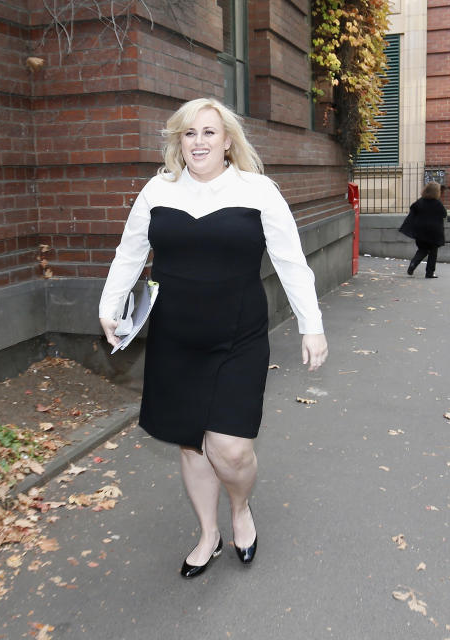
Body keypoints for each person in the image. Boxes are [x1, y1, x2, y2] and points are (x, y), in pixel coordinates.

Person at [98, 98, 328, 579]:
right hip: (175, 338)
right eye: (189, 133)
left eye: (209, 132)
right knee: (190, 443)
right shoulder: (158, 190)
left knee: (232, 449)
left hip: (238, 337)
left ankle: (240, 509)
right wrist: (109, 306)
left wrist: (312, 324)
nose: (198, 141)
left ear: (228, 141)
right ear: (178, 142)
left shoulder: (257, 189)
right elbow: (129, 253)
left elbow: (290, 261)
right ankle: (208, 533)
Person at [400, 182, 447, 278]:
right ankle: (429, 273)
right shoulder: (437, 203)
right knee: (433, 253)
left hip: (420, 231)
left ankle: (413, 263)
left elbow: (413, 208)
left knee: (422, 249)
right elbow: (444, 214)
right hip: (434, 232)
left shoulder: (420, 201)